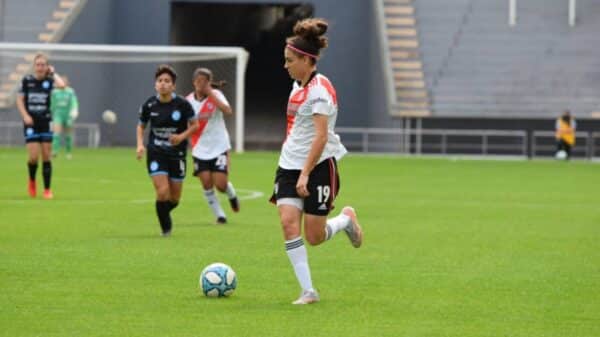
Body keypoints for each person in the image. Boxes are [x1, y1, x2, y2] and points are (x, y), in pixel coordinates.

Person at [270, 18, 364, 305]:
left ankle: (346, 220)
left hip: (319, 167)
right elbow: (297, 130)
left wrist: (305, 174)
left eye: (289, 60)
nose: (285, 65)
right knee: (288, 223)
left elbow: (321, 137)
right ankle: (308, 291)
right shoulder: (297, 86)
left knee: (314, 236)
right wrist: (292, 164)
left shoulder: (320, 91)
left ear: (306, 60)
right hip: (289, 165)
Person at [136, 64, 199, 236]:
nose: (163, 84)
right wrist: (140, 145)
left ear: (173, 85)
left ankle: (163, 212)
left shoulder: (183, 105)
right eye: (160, 81)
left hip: (177, 154)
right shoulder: (149, 104)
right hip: (156, 152)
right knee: (162, 192)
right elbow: (141, 126)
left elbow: (195, 125)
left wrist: (181, 136)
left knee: (174, 198)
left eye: (167, 81)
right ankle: (166, 229)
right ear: (155, 84)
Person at [186, 68, 240, 225]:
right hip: (199, 148)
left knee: (221, 184)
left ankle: (231, 195)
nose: (200, 84)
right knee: (206, 183)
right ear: (194, 82)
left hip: (219, 146)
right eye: (198, 81)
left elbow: (227, 110)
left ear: (209, 83)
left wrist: (211, 93)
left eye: (204, 81)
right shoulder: (188, 101)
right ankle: (220, 216)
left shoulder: (216, 95)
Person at [16, 53, 65, 199]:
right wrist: (25, 115)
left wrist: (53, 73)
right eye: (38, 64)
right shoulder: (26, 81)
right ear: (34, 66)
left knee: (46, 156)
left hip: (46, 122)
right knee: (33, 157)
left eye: (43, 65)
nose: (40, 67)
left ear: (47, 67)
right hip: (31, 122)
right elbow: (19, 100)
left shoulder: (49, 81)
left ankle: (47, 190)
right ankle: (32, 180)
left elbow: (62, 85)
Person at [50, 75, 79, 159]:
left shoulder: (70, 91)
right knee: (56, 134)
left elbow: (74, 102)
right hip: (58, 114)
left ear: (67, 82)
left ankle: (68, 153)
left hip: (68, 115)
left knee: (68, 135)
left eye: (63, 81)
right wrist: (50, 113)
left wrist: (74, 111)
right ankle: (54, 152)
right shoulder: (54, 92)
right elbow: (52, 104)